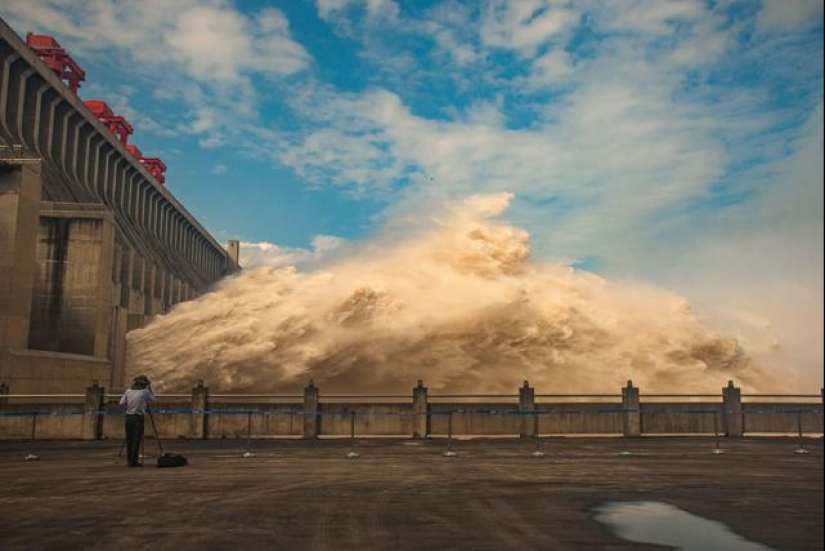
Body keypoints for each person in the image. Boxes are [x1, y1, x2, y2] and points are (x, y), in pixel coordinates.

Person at [119, 375, 156, 467]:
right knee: (136, 439)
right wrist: (150, 389)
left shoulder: (128, 391)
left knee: (129, 439)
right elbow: (153, 399)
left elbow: (121, 403)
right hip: (138, 417)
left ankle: (129, 460)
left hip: (128, 417)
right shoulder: (145, 392)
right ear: (145, 384)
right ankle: (133, 461)